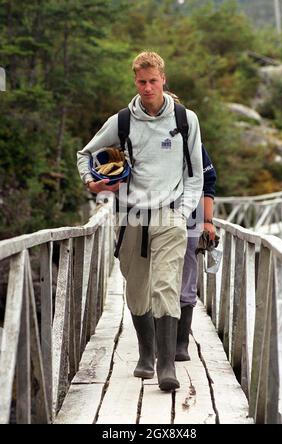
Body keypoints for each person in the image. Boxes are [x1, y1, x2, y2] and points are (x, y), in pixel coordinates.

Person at [77, 51, 203, 391]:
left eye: (153, 81)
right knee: (136, 289)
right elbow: (85, 154)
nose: (147, 87)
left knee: (166, 286)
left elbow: (196, 173)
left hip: (170, 214)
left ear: (163, 79)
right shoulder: (122, 121)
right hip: (130, 215)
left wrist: (183, 210)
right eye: (141, 81)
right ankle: (146, 353)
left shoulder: (185, 119)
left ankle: (166, 366)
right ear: (136, 81)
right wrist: (92, 181)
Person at [164, 92, 217, 362]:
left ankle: (181, 342)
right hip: (152, 216)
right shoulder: (140, 135)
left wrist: (208, 220)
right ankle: (158, 339)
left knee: (186, 272)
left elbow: (208, 179)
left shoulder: (189, 137)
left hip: (190, 216)